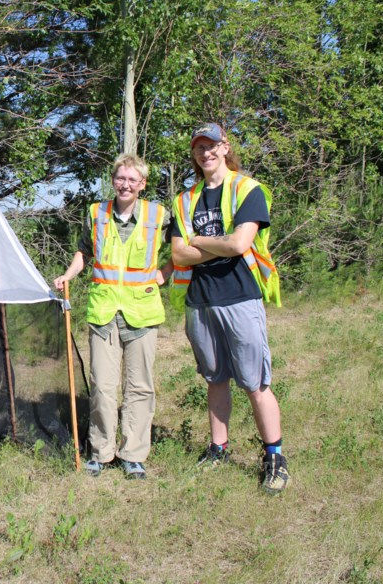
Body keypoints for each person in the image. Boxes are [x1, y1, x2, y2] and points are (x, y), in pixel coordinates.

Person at [169, 122, 288, 494]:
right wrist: (216, 244)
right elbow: (177, 254)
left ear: (225, 147)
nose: (206, 152)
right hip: (200, 302)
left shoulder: (247, 189)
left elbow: (239, 244)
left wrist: (200, 241)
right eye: (199, 147)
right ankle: (218, 448)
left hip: (240, 298)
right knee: (215, 379)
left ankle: (275, 457)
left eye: (212, 145)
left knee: (256, 382)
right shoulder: (184, 200)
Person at [54, 154, 173, 479]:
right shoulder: (96, 213)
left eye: (133, 180)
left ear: (142, 184)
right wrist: (69, 275)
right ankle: (101, 453)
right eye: (121, 178)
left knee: (139, 387)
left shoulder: (158, 215)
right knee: (103, 387)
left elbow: (181, 250)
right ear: (113, 180)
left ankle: (133, 455)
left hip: (143, 312)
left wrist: (165, 273)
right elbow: (83, 252)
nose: (126, 184)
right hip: (104, 312)